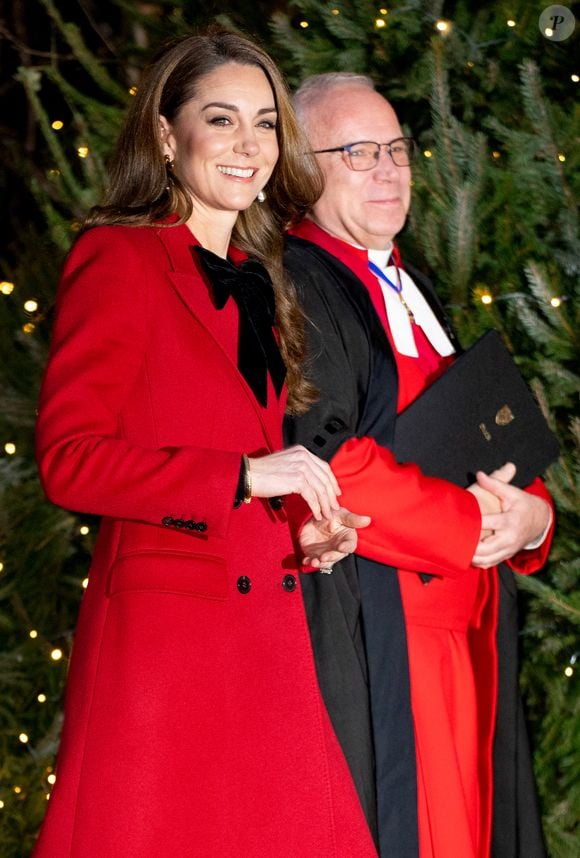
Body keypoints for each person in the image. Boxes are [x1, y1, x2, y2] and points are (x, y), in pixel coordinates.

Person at [33, 39, 379, 857]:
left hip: (268, 638)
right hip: (167, 653)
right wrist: (246, 477)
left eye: (264, 124)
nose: (248, 144)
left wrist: (302, 530)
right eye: (219, 120)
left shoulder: (260, 276)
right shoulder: (115, 258)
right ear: (163, 135)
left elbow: (235, 461)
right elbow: (70, 458)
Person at [283, 73, 554, 858]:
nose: (390, 170)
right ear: (301, 168)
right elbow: (330, 459)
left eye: (398, 149)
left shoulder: (411, 285)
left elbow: (476, 435)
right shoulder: (302, 284)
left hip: (465, 635)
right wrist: (474, 526)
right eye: (359, 151)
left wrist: (535, 518)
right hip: (386, 635)